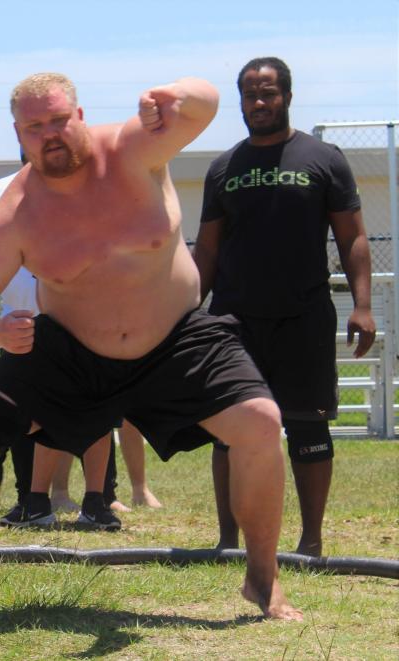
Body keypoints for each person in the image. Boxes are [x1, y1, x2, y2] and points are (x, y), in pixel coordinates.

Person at [0, 72, 303, 622]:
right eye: (34, 126)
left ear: (80, 115)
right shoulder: (17, 209)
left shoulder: (133, 148)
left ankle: (263, 576)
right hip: (73, 352)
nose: (49, 134)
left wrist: (175, 96)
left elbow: (205, 106)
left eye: (57, 120)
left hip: (178, 338)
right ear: (18, 134)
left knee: (261, 421)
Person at [193, 57, 375, 557]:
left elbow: (352, 236)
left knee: (307, 423)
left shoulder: (324, 159)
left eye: (268, 92)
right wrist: (190, 309)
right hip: (233, 320)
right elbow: (206, 249)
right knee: (231, 428)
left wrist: (363, 305)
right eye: (250, 94)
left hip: (304, 317)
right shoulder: (223, 168)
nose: (258, 102)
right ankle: (229, 540)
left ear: (287, 96)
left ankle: (311, 541)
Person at [0, 163, 124, 530]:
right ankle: (36, 501)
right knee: (39, 415)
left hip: (89, 319)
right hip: (28, 324)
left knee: (98, 413)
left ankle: (96, 502)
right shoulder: (3, 193)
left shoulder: (91, 188)